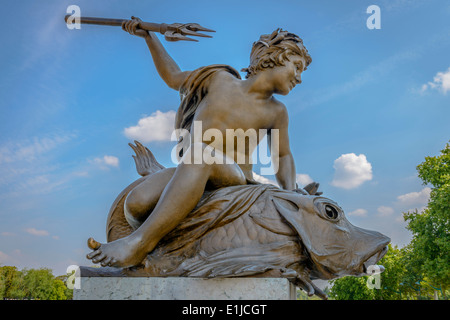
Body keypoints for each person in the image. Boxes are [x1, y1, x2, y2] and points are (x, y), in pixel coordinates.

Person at [86, 17, 312, 268]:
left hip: (233, 178)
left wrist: (291, 190)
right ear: (274, 57)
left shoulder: (276, 111)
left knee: (200, 154)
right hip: (193, 166)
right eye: (298, 67)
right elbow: (173, 77)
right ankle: (169, 211)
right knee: (136, 203)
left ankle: (140, 243)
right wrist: (150, 38)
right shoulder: (218, 79)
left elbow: (282, 156)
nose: (300, 78)